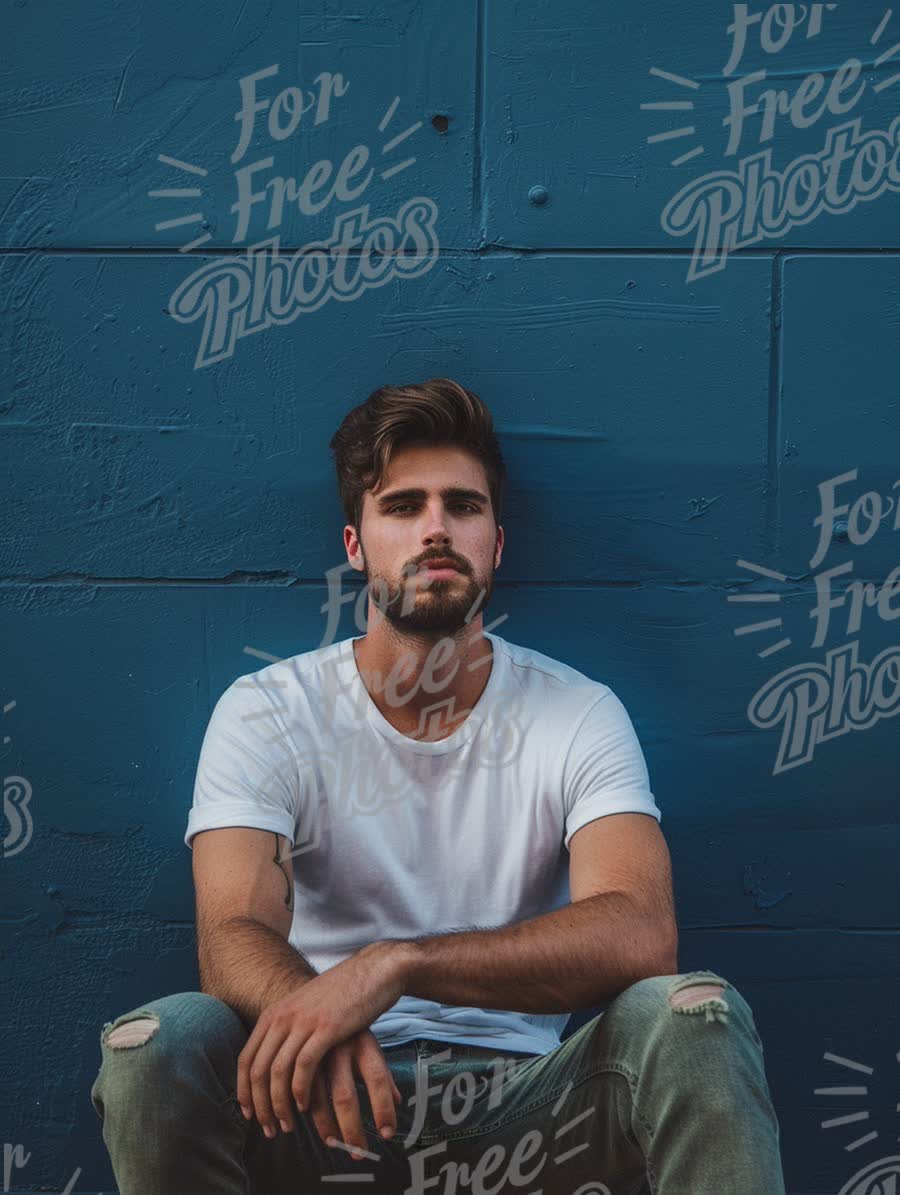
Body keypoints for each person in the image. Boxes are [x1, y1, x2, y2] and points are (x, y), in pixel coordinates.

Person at [90, 377, 787, 1194]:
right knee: (161, 1038)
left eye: (462, 505)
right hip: (323, 1102)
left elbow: (640, 932)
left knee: (692, 1014)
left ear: (498, 541)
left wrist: (395, 965)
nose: (435, 530)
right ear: (356, 544)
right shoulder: (268, 709)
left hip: (529, 1105)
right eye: (402, 506)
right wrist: (322, 1012)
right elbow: (231, 932)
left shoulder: (578, 711)